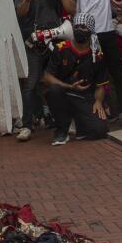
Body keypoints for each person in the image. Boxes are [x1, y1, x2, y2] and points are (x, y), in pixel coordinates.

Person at [14, 0, 72, 141]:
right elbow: (20, 14)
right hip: (35, 43)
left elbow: (72, 9)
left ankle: (64, 120)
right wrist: (27, 0)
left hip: (56, 40)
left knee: (59, 81)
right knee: (31, 85)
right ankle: (26, 125)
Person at [64, 0, 122, 116]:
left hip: (107, 33)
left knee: (117, 72)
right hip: (86, 36)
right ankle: (90, 112)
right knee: (88, 74)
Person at [42, 13, 110, 146]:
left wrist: (98, 101)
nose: (79, 29)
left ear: (90, 31)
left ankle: (79, 123)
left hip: (84, 98)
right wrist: (68, 86)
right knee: (53, 90)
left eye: (83, 27)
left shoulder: (97, 55)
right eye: (76, 26)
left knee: (100, 131)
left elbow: (100, 84)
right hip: (64, 94)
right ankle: (61, 130)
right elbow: (47, 76)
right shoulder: (61, 48)